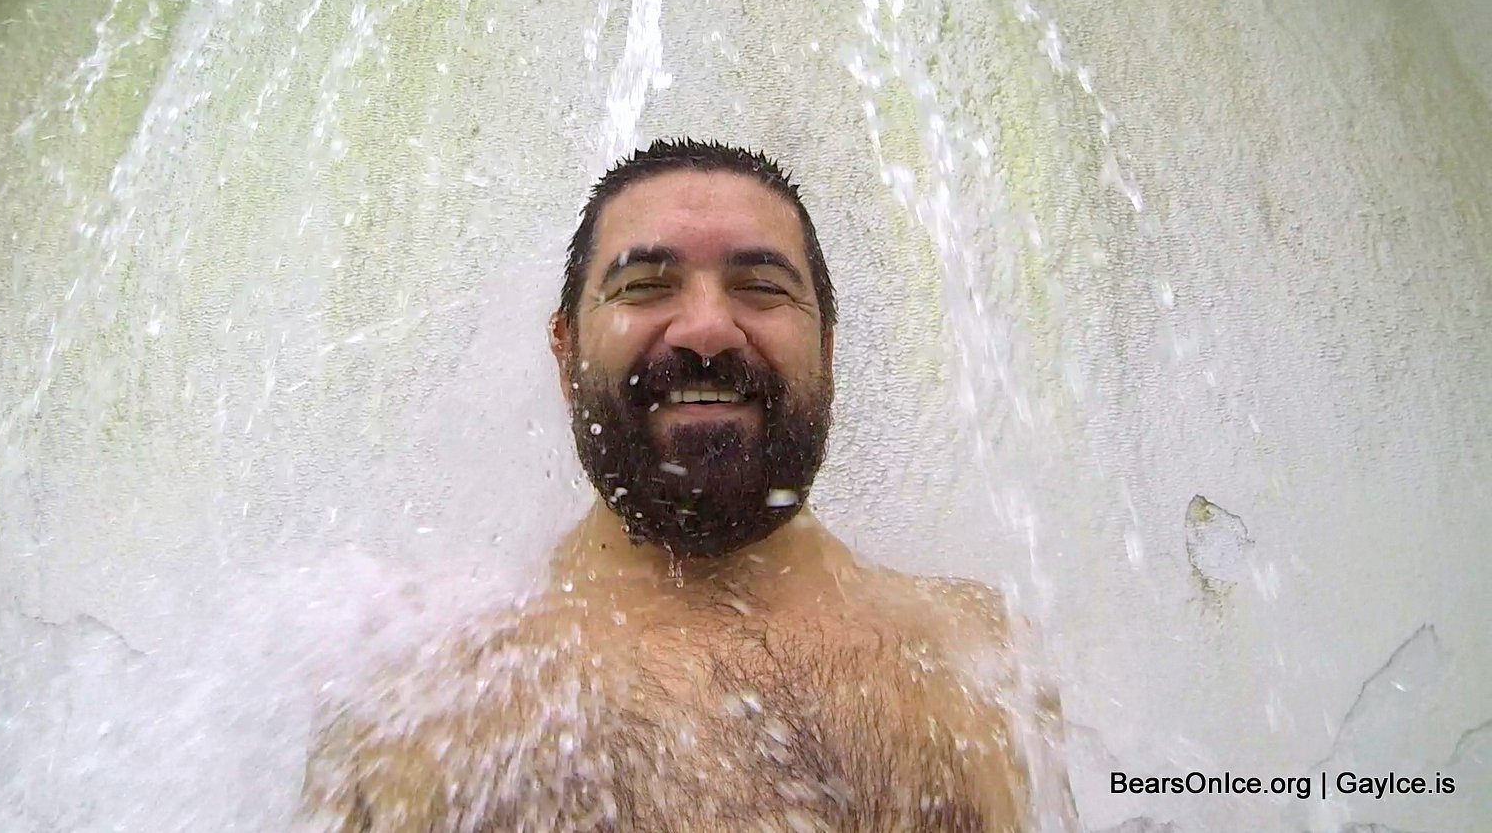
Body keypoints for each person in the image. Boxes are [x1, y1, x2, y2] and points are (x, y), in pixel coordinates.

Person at [302, 139, 1071, 832]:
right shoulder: (413, 696)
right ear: (565, 351)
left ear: (827, 351)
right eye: (644, 286)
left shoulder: (980, 656)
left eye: (761, 288)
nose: (707, 329)